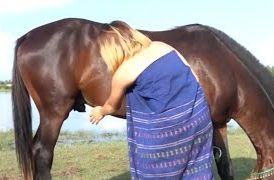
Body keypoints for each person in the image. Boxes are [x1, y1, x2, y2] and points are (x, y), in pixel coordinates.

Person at [89, 20, 214, 180]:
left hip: (168, 133)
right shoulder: (161, 46)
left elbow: (112, 106)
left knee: (158, 172)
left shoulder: (124, 72)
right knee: (196, 169)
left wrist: (100, 111)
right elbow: (193, 76)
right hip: (199, 119)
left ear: (110, 50)